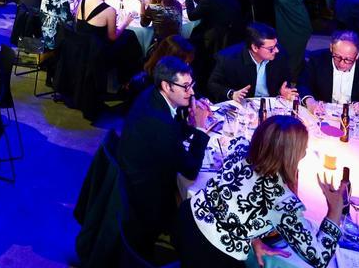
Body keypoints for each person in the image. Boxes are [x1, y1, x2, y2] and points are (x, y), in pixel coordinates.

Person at [179, 115, 345, 268]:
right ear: (293, 156)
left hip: (186, 217)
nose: (305, 152)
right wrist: (335, 209)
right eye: (304, 148)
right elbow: (319, 257)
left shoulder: (239, 149)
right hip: (210, 254)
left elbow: (233, 200)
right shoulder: (282, 202)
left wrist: (254, 237)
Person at [117, 56, 210, 258]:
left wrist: (189, 123)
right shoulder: (159, 123)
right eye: (186, 87)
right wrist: (201, 130)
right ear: (167, 86)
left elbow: (173, 131)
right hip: (145, 194)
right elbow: (191, 170)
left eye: (192, 85)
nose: (192, 92)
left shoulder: (152, 95)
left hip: (136, 171)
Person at [272, 0, 354, 74]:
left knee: (285, 28)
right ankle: (293, 66)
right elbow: (330, 4)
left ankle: (284, 59)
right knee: (302, 31)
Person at [207, 23, 298, 104]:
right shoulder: (228, 58)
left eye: (276, 45)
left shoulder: (281, 54)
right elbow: (213, 84)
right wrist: (232, 94)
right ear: (255, 48)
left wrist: (282, 91)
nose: (276, 50)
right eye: (271, 48)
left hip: (270, 103)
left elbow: (285, 80)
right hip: (242, 105)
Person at [298, 31, 359, 111]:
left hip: (356, 116)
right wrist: (310, 102)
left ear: (357, 55)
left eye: (348, 59)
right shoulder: (317, 59)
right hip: (323, 112)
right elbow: (303, 84)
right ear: (331, 48)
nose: (341, 63)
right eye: (337, 57)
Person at [185, 0, 242, 83]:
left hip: (214, 36)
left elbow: (192, 16)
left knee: (190, 38)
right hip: (232, 33)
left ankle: (196, 74)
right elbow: (209, 4)